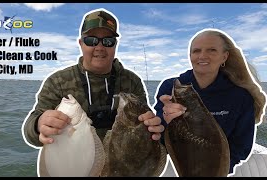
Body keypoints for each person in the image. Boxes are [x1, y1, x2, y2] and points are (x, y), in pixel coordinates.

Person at [22, 8, 164, 149]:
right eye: (91, 40)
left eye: (108, 41)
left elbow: (147, 122)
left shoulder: (132, 81)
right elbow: (31, 130)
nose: (100, 47)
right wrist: (38, 124)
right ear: (81, 44)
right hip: (76, 165)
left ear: (115, 45)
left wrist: (152, 125)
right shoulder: (57, 81)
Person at [154, 28, 267, 175]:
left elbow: (241, 146)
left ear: (224, 56)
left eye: (212, 50)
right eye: (196, 51)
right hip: (181, 165)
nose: (202, 56)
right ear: (190, 56)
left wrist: (220, 169)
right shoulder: (170, 87)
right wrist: (165, 121)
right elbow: (159, 138)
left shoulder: (240, 96)